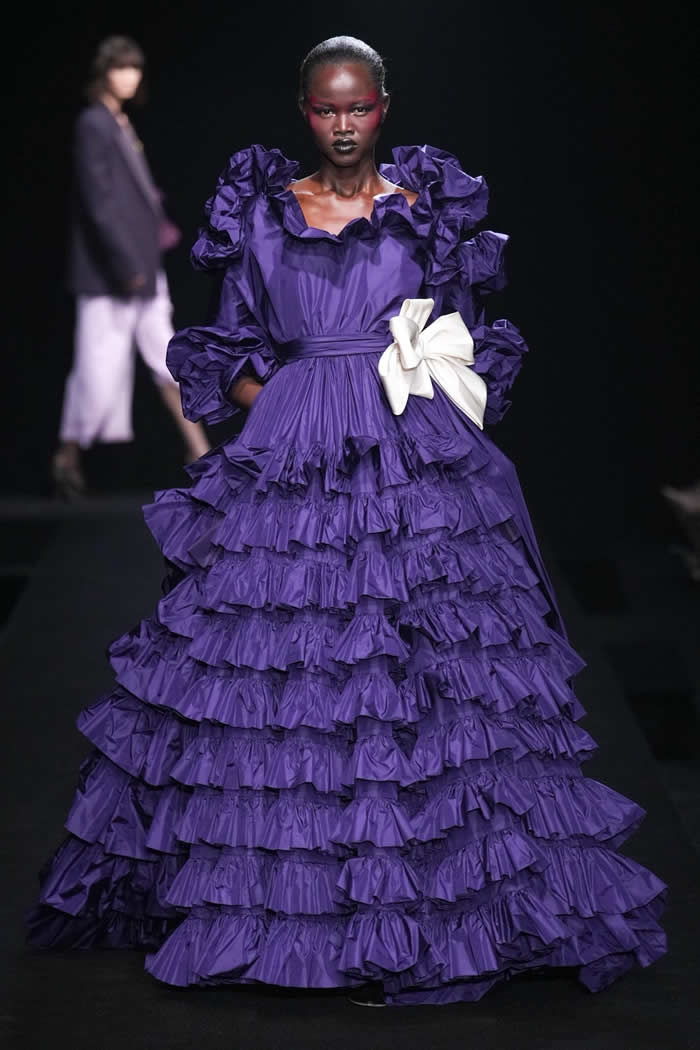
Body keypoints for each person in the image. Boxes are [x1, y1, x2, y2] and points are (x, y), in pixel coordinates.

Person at [27, 36, 667, 1007]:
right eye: (325, 108)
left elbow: (458, 335)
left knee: (420, 668)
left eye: (357, 107)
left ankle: (435, 907)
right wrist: (291, 396)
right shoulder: (263, 215)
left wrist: (405, 388)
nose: (341, 124)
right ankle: (289, 911)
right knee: (281, 665)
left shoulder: (425, 212)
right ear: (304, 110)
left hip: (406, 449)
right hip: (294, 448)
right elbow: (231, 341)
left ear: (382, 108)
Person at [51, 34, 209, 500]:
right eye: (121, 67)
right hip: (113, 276)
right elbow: (98, 202)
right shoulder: (94, 124)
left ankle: (200, 452)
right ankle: (67, 456)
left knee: (168, 360)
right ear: (104, 72)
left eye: (135, 68)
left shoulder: (118, 122)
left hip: (142, 269)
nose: (130, 76)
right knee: (97, 371)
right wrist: (125, 265)